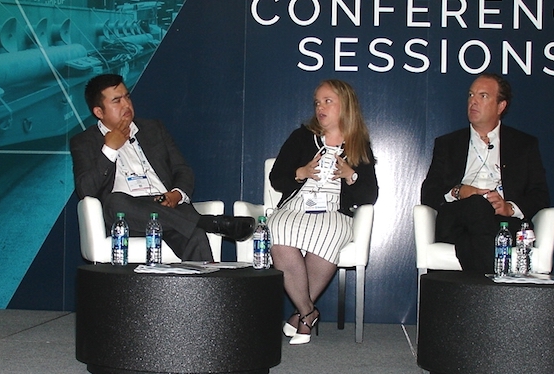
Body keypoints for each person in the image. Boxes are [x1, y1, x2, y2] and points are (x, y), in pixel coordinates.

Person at [69, 74, 253, 262]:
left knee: (195, 237)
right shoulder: (84, 142)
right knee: (114, 202)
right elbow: (86, 189)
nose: (126, 105)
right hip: (129, 216)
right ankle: (207, 222)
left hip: (165, 206)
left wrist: (177, 194)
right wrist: (110, 149)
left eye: (127, 97)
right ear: (99, 112)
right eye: (117, 101)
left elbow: (182, 169)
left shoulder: (153, 129)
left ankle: (207, 291)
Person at [268, 79, 378, 345]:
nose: (321, 107)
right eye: (318, 102)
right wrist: (301, 173)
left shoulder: (358, 144)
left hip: (334, 210)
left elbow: (370, 195)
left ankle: (301, 315)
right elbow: (276, 178)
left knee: (329, 233)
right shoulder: (301, 137)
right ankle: (308, 313)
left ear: (345, 106)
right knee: (277, 228)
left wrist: (351, 176)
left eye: (328, 101)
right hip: (297, 204)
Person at [420, 73, 550, 273]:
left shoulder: (524, 145)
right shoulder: (448, 144)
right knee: (476, 205)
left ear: (501, 106)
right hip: (457, 218)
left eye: (483, 96)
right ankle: (492, 290)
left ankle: (478, 289)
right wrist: (458, 191)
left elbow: (540, 195)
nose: (473, 101)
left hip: (502, 222)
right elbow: (429, 193)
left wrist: (509, 207)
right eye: (471, 95)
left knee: (471, 239)